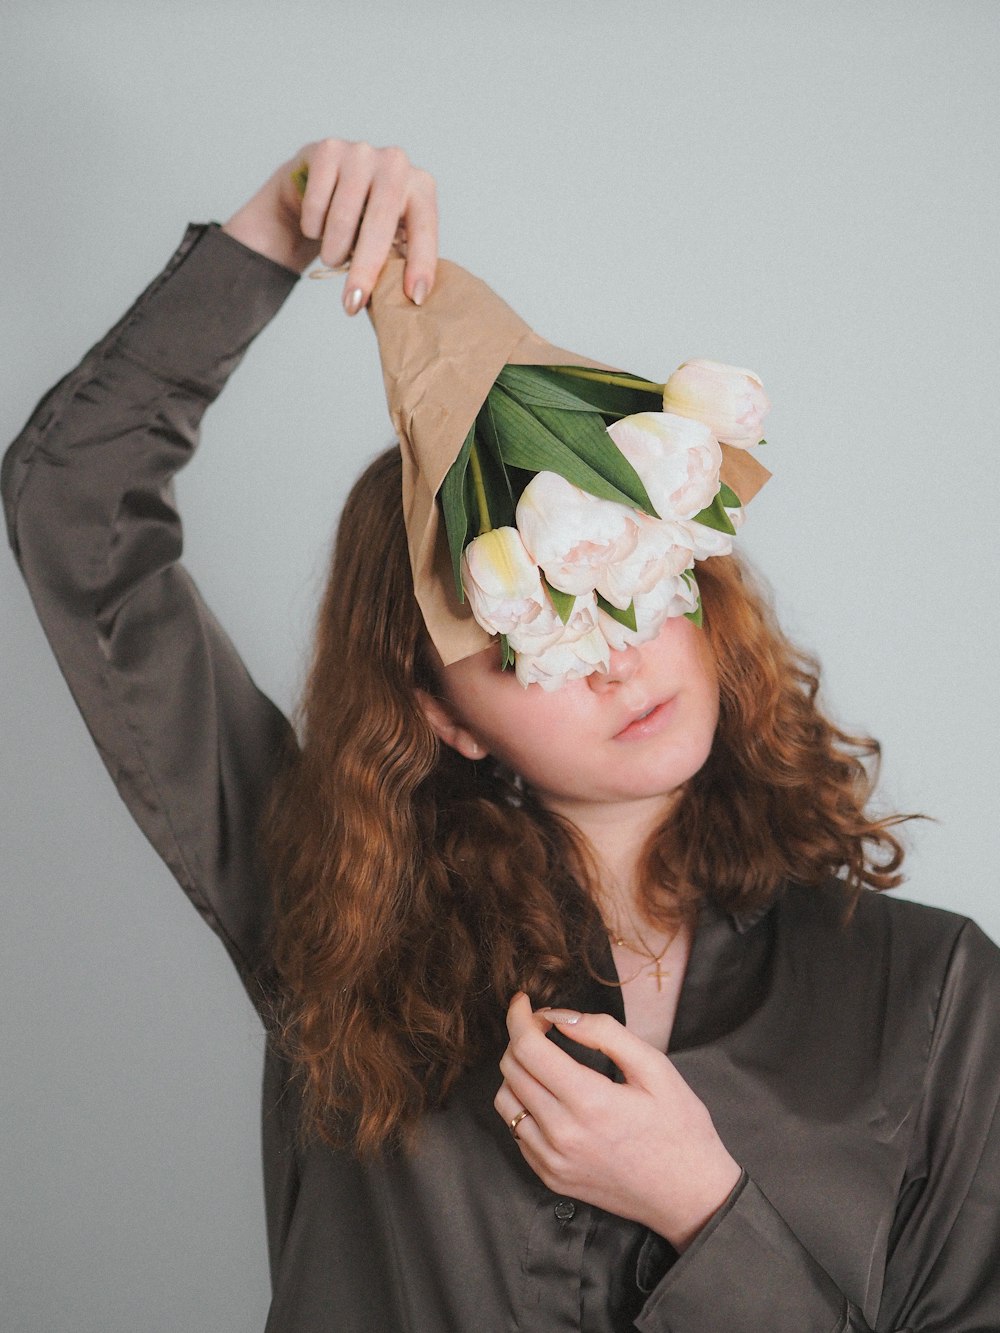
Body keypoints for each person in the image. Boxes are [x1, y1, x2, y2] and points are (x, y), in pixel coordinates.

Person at [4, 137, 1000, 1333]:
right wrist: (279, 227)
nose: (617, 656)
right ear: (440, 714)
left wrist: (702, 1207)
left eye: (635, 574)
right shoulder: (344, 918)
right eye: (535, 624)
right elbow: (78, 519)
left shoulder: (928, 991)